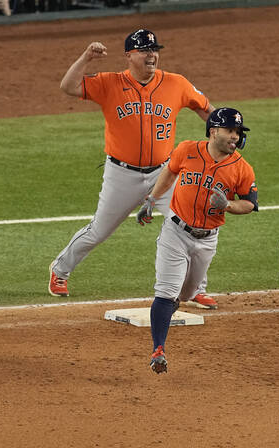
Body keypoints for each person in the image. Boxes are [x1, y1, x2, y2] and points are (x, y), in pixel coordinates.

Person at [49, 28, 220, 309]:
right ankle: (60, 269)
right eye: (144, 50)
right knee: (98, 231)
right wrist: (86, 58)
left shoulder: (176, 83)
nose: (152, 55)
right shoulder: (110, 83)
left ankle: (193, 289)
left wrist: (220, 132)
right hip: (122, 173)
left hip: (165, 173)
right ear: (130, 55)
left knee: (189, 225)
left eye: (154, 50)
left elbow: (206, 110)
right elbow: (67, 86)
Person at [136, 107, 258, 374]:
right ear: (213, 131)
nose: (235, 137)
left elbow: (250, 204)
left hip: (207, 239)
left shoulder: (241, 168)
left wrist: (227, 204)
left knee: (188, 293)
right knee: (166, 291)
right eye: (230, 131)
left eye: (238, 132)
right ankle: (158, 350)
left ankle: (177, 301)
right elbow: (170, 171)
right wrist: (151, 200)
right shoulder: (187, 150)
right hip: (175, 231)